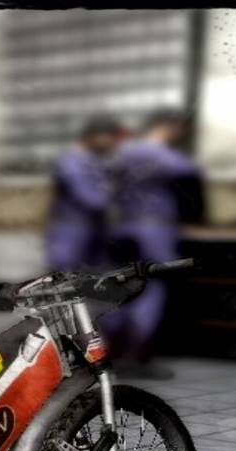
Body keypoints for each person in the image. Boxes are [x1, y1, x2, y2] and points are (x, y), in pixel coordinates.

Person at [102, 109, 205, 376]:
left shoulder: (123, 152)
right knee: (151, 290)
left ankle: (109, 356)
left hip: (122, 228)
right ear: (171, 126)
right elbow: (190, 173)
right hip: (153, 231)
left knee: (121, 290)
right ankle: (134, 356)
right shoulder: (168, 157)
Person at [44, 115, 124, 272]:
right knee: (66, 280)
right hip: (71, 233)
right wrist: (115, 188)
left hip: (93, 233)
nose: (115, 143)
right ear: (95, 136)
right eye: (112, 137)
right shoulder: (72, 163)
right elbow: (93, 199)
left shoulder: (96, 162)